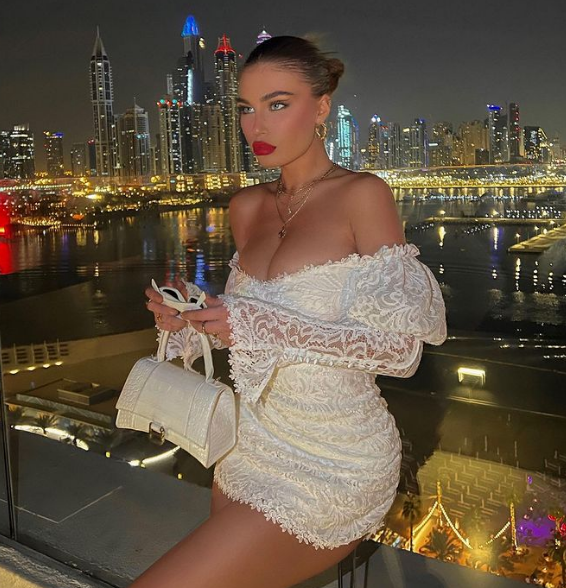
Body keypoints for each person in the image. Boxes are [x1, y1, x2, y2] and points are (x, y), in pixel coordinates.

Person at [139, 36, 447, 588]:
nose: (256, 125)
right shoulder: (246, 207)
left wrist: (254, 323)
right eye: (245, 108)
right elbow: (245, 334)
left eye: (277, 104)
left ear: (321, 107)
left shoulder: (363, 195)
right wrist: (192, 320)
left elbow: (400, 351)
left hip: (335, 460)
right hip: (246, 443)